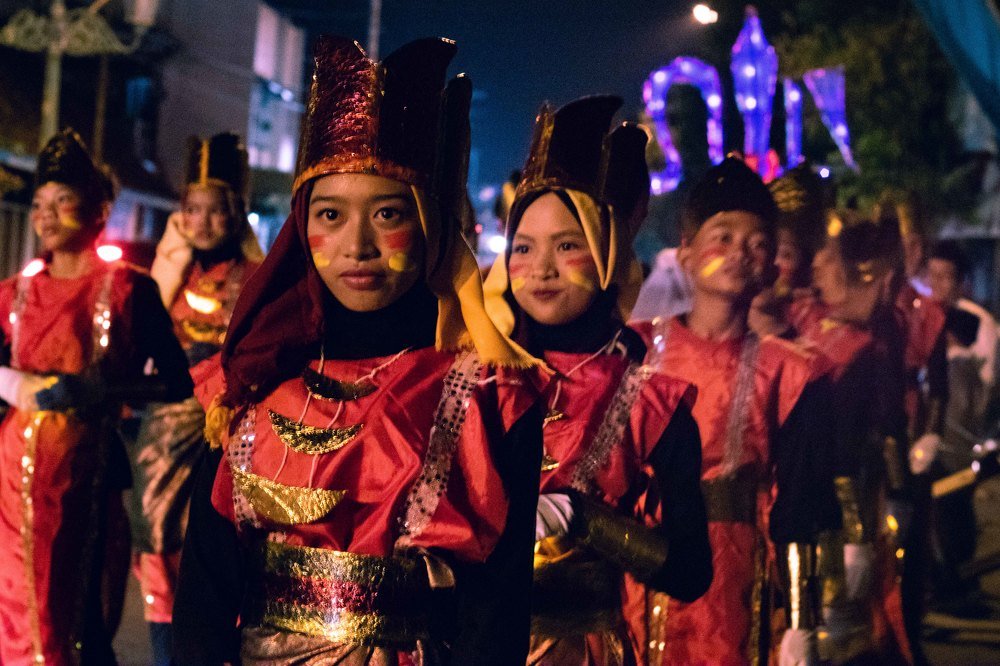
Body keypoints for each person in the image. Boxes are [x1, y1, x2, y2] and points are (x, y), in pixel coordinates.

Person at [172, 36, 546, 665]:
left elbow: (496, 610)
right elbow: (205, 594)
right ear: (300, 225)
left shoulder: (489, 398)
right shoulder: (257, 380)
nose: (357, 247)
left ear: (430, 222)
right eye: (330, 215)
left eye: (388, 213)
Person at [483, 95, 712, 665]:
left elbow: (689, 571)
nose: (541, 269)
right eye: (524, 248)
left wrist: (586, 521)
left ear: (608, 252)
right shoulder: (472, 379)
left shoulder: (651, 403)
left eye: (568, 246)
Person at [633, 157, 839, 665]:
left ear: (772, 267)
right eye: (721, 236)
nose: (738, 254)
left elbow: (801, 503)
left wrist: (801, 620)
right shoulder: (633, 352)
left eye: (757, 243)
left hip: (738, 582)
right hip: (639, 565)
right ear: (685, 254)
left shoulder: (789, 372)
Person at [0, 128, 192, 664]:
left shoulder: (130, 288)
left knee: (75, 615)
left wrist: (101, 388)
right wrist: (12, 384)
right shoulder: (12, 294)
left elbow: (175, 381)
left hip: (88, 473)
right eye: (39, 204)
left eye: (63, 201)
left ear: (98, 210)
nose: (45, 215)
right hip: (11, 476)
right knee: (13, 607)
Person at [125, 132, 264, 662]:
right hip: (164, 436)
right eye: (192, 210)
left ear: (238, 213)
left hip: (228, 436)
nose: (203, 222)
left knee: (221, 556)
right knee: (157, 545)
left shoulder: (256, 282)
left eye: (216, 210)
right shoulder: (167, 280)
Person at [796, 211, 915, 663]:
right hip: (798, 500)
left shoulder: (870, 342)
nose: (816, 271)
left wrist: (863, 532)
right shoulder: (809, 326)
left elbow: (878, 434)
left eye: (828, 260)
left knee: (843, 630)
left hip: (843, 509)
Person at [926, 239, 998, 615]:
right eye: (932, 274)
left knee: (955, 508)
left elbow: (986, 387)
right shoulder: (920, 316)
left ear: (962, 281)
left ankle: (962, 584)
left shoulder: (978, 324)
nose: (938, 283)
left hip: (960, 438)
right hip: (924, 436)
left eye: (947, 276)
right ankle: (940, 582)